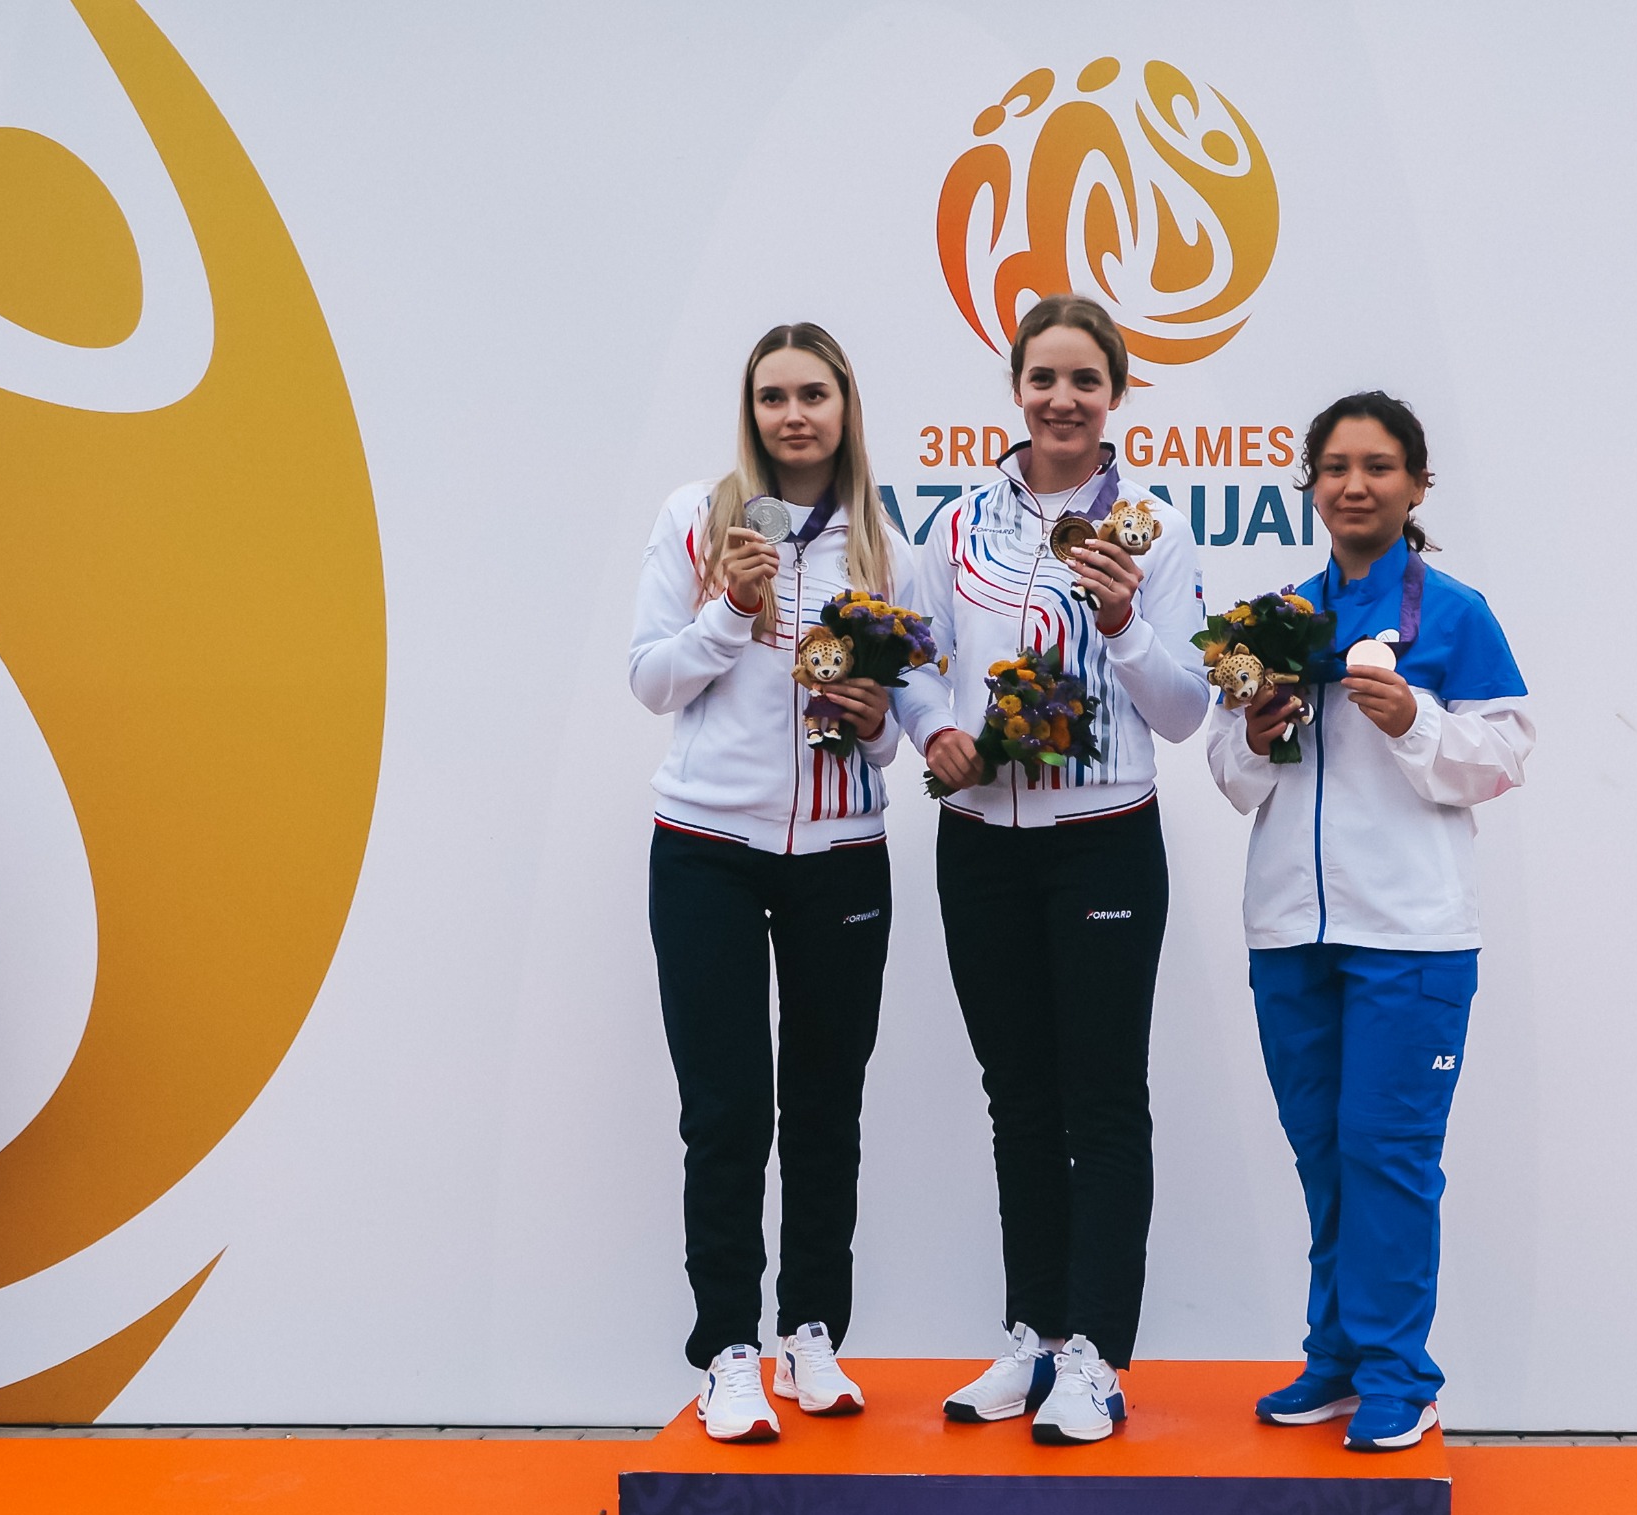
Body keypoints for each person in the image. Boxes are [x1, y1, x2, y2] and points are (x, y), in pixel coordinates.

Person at [896, 294, 1209, 1445]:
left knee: (1102, 1097)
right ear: (1016, 388)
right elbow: (913, 660)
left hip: (1102, 838)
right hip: (980, 841)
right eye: (1044, 378)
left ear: (1114, 393)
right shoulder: (957, 525)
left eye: (1085, 380)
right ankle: (1031, 1332)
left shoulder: (1151, 530)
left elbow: (1183, 710)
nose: (1062, 399)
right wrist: (935, 729)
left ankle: (1094, 1353)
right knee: (1016, 1096)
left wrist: (1123, 622)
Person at [1205, 392, 1533, 1452]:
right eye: (1337, 466)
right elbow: (1229, 776)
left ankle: (1401, 1373)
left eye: (1379, 466)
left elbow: (1505, 755)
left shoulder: (1456, 615)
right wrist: (1256, 735)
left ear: (1417, 485)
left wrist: (1415, 721)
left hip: (1411, 938)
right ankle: (1339, 1358)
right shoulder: (1274, 621)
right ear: (1310, 484)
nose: (1355, 485)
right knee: (1322, 1150)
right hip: (1289, 932)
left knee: (1386, 1154)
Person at [629, 323, 916, 1443]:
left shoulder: (884, 547)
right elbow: (651, 678)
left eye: (813, 395)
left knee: (826, 1106)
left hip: (842, 853)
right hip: (705, 846)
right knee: (728, 1109)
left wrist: (876, 720)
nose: (793, 415)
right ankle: (727, 1351)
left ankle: (810, 1332)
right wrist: (729, 614)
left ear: (846, 407)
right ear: (750, 411)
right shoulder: (696, 519)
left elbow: (898, 733)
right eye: (773, 397)